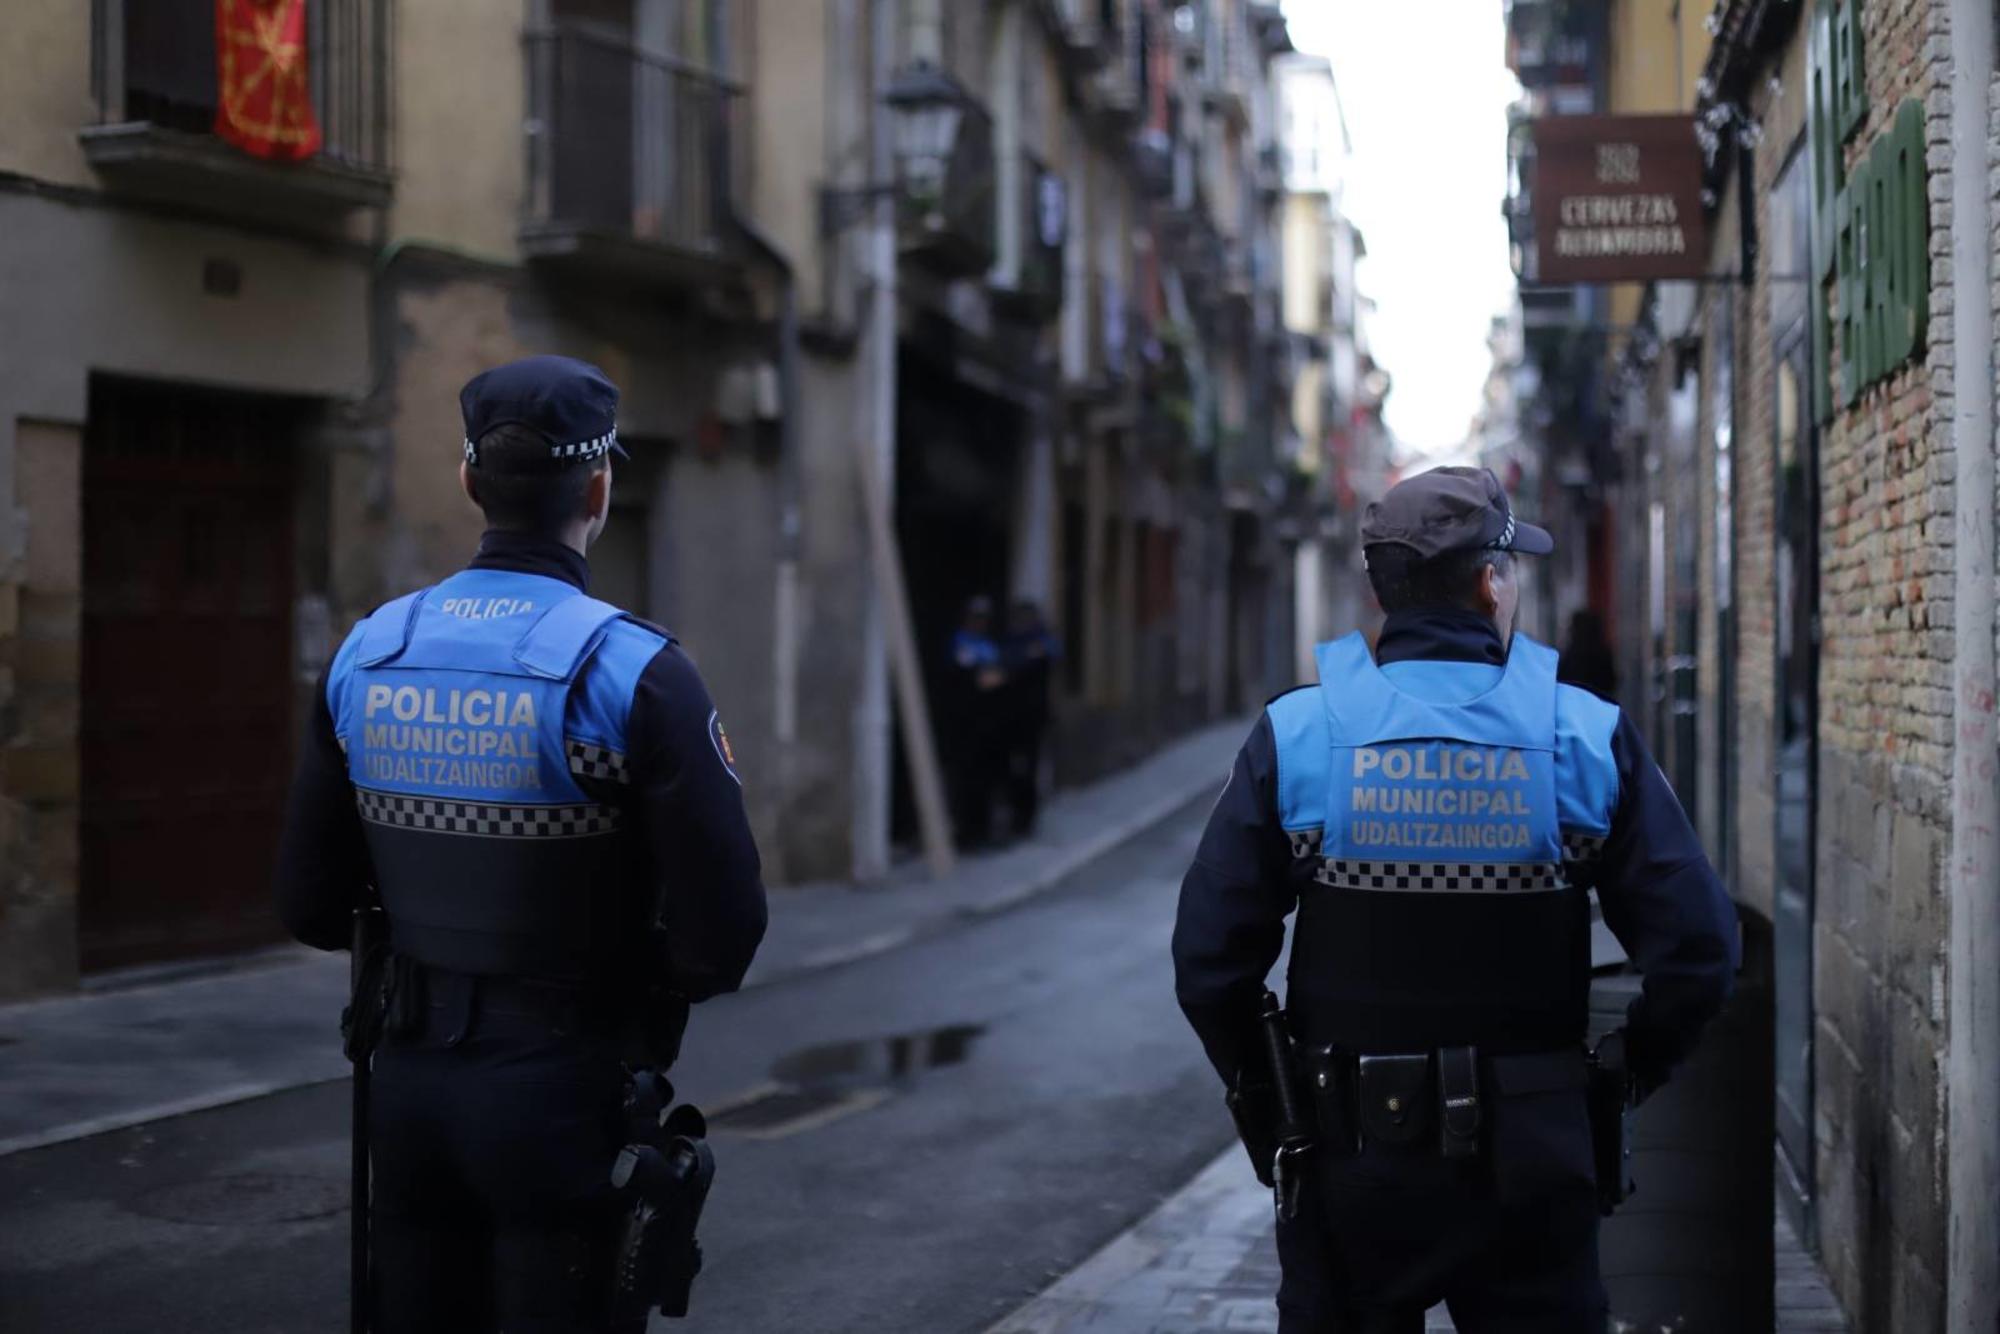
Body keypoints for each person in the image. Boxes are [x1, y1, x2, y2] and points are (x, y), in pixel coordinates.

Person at [1172, 466, 1738, 1332]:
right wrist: (1621, 1074)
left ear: (1381, 592)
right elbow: (1702, 952)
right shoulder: (1584, 735)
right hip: (1535, 1163)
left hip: (1348, 1163)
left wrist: (1272, 1096)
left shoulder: (1298, 735)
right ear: (1491, 583)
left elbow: (1209, 962)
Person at [274, 355, 768, 1333]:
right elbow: (723, 935)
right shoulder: (636, 671)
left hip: (406, 1087)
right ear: (598, 489)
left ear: (470, 481)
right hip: (561, 1085)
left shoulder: (368, 652)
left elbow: (310, 904)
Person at [945, 595, 1008, 847]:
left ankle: (982, 829)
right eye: (976, 617)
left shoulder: (988, 646)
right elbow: (969, 678)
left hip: (988, 725)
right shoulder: (960, 643)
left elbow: (999, 677)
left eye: (983, 619)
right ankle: (965, 831)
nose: (979, 623)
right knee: (965, 780)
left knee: (986, 779)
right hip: (965, 724)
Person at [1000, 599, 1059, 836]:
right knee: (1012, 768)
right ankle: (1014, 815)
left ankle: (1025, 818)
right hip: (1010, 717)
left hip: (1033, 717)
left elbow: (1050, 654)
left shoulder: (1042, 641)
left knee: (1029, 767)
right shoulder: (1011, 642)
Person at [1558, 608, 1619, 702]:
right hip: (1598, 703)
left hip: (1575, 703)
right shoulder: (1602, 653)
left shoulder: (1571, 655)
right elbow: (1610, 682)